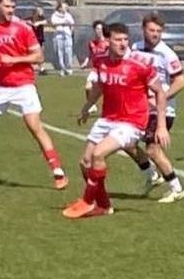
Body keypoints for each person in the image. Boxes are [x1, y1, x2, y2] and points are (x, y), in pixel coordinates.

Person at [63, 22, 169, 219]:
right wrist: (87, 107)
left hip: (132, 122)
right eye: (118, 39)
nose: (123, 44)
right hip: (108, 118)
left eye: (125, 40)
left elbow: (160, 93)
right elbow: (100, 86)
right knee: (85, 163)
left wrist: (161, 126)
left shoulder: (140, 64)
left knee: (98, 154)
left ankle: (87, 201)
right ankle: (104, 206)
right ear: (107, 40)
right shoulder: (101, 60)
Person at [0, 0, 69, 189]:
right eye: (7, 7)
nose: (11, 10)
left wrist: (14, 60)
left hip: (23, 85)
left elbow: (39, 57)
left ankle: (57, 171)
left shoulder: (22, 28)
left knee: (34, 126)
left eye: (13, 7)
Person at [132, 14, 184, 203]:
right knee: (126, 142)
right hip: (140, 107)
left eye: (158, 31)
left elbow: (181, 81)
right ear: (143, 29)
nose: (155, 34)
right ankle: (152, 175)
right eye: (151, 30)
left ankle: (176, 188)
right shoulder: (135, 48)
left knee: (152, 149)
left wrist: (162, 98)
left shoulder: (167, 54)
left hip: (162, 111)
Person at [81, 21, 109, 116]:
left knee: (108, 91)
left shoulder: (107, 43)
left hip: (105, 70)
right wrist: (85, 63)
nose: (98, 31)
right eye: (96, 29)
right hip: (96, 69)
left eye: (100, 29)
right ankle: (92, 105)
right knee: (88, 87)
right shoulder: (92, 43)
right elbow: (90, 55)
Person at [50, 0, 75, 76]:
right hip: (58, 35)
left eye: (65, 7)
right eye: (63, 7)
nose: (64, 8)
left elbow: (72, 24)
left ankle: (69, 68)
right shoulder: (54, 15)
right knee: (60, 52)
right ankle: (62, 69)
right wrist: (62, 23)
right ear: (60, 8)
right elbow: (53, 23)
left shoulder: (68, 15)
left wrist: (71, 32)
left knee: (68, 52)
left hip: (67, 35)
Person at [29, 7, 47, 75]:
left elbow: (45, 21)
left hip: (40, 39)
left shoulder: (41, 18)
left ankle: (41, 69)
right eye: (40, 11)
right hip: (32, 39)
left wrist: (38, 23)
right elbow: (23, 21)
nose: (41, 12)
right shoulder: (31, 18)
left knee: (40, 53)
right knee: (33, 53)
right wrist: (30, 23)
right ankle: (33, 68)